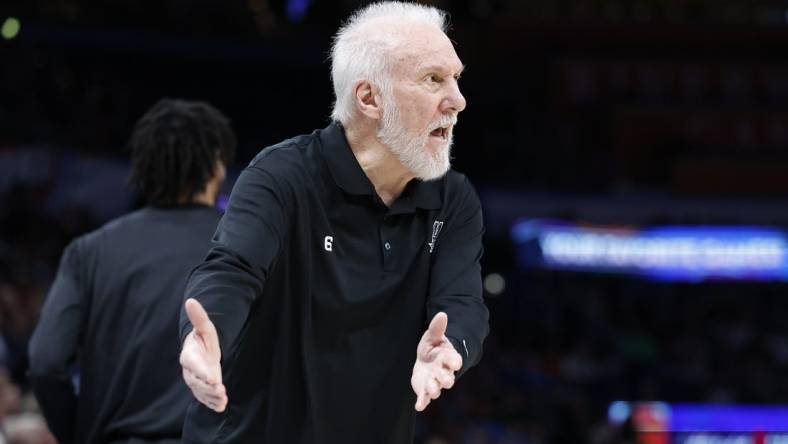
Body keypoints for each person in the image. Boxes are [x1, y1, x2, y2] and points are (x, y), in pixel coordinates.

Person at [178, 2, 490, 443]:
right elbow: (232, 269)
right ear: (369, 99)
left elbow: (462, 303)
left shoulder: (453, 199)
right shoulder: (283, 176)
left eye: (456, 78)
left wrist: (450, 346)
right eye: (433, 79)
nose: (458, 101)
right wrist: (202, 337)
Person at [27, 99, 236, 444]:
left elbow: (46, 361)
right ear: (217, 166)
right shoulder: (247, 246)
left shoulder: (89, 251)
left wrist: (78, 434)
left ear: (141, 168)